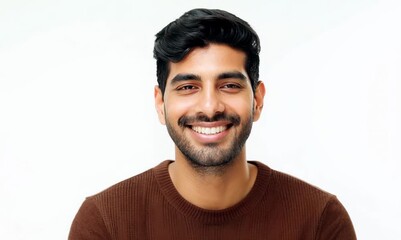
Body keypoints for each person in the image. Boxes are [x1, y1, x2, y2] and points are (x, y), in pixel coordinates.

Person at [69, 8, 356, 240]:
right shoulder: (106, 223)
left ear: (257, 99)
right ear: (160, 103)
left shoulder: (320, 221)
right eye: (188, 87)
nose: (209, 107)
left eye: (229, 85)